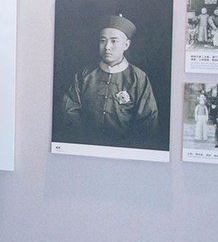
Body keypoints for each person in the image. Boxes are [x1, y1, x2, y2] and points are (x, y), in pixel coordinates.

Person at [60, 14, 159, 148]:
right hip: (86, 146)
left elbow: (147, 121)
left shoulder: (138, 77)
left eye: (114, 41)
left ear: (126, 45)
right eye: (103, 40)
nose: (107, 47)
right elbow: (69, 111)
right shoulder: (85, 74)